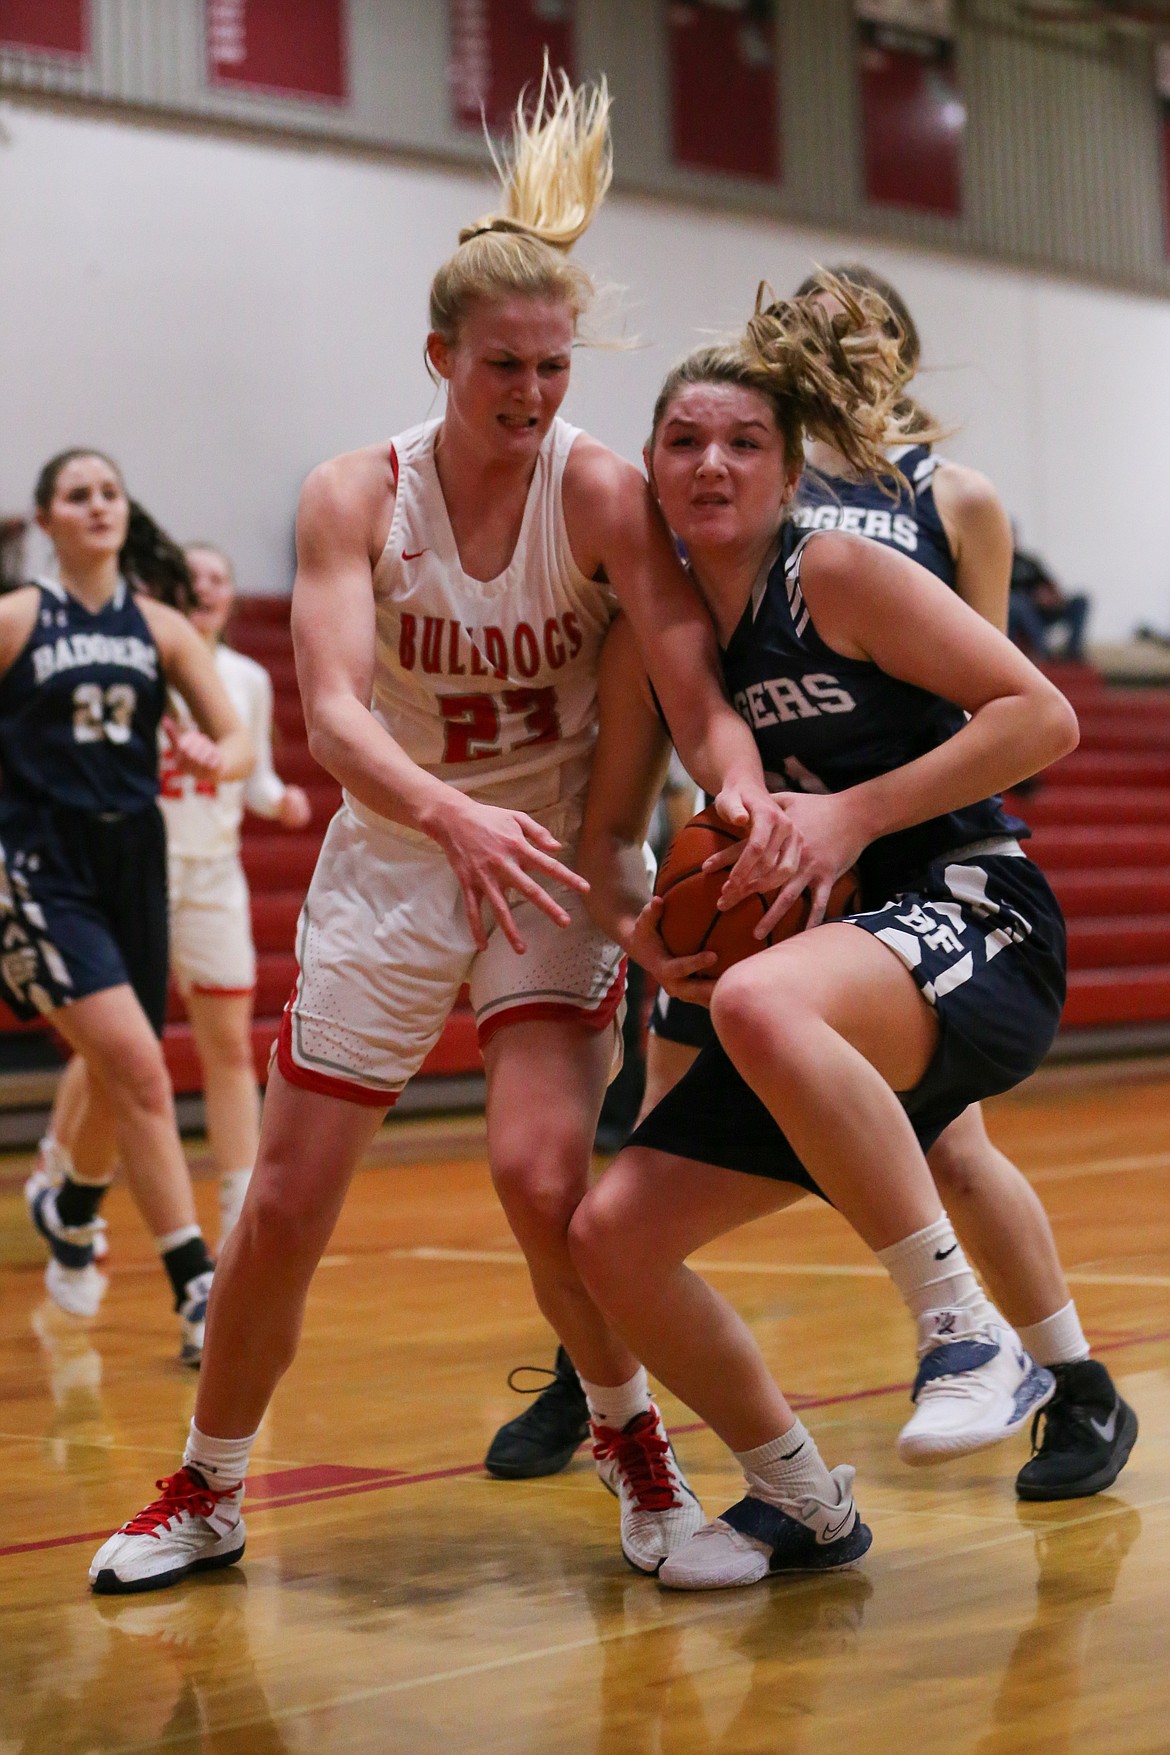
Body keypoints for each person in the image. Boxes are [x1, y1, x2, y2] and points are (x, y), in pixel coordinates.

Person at [89, 67, 796, 1595]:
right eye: (503, 367)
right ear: (438, 355)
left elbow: (688, 682)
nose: (532, 394)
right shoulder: (355, 492)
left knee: (544, 1176)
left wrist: (737, 783)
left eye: (552, 367)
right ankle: (208, 1489)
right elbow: (335, 717)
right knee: (282, 1203)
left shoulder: (602, 488)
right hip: (402, 859)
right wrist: (445, 813)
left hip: (544, 864)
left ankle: (640, 1458)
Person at [493, 264, 1136, 1507]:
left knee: (813, 1044)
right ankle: (796, 1496)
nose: (713, 465)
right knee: (609, 1232)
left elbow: (1030, 711)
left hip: (959, 896)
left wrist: (852, 815)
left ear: (791, 468)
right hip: (787, 925)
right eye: (684, 444)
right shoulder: (656, 636)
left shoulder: (843, 563)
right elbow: (611, 842)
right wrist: (642, 937)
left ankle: (970, 1333)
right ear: (650, 472)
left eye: (744, 442)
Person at [5, 449, 253, 1362]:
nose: (99, 505)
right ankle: (197, 1284)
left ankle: (68, 1203)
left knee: (128, 1069)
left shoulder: (161, 628)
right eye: (79, 494)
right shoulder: (17, 618)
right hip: (40, 859)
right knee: (141, 1068)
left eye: (110, 491)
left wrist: (208, 761)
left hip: (133, 853)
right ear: (47, 518)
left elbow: (235, 742)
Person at [38, 542, 312, 1248]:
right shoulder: (135, 663)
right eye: (194, 581)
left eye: (221, 577)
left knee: (231, 1048)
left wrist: (280, 799)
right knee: (114, 1048)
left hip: (214, 874)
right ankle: (59, 1170)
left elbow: (248, 775)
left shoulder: (246, 678)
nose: (209, 589)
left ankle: (238, 1216)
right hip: (134, 873)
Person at [1008, 542, 1090, 663]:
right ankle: (1043, 650)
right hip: (1021, 613)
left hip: (1045, 610)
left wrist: (1052, 596)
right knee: (1020, 602)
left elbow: (1050, 584)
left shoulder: (1029, 562)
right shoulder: (997, 564)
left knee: (1081, 601)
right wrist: (1033, 598)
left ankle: (1073, 652)